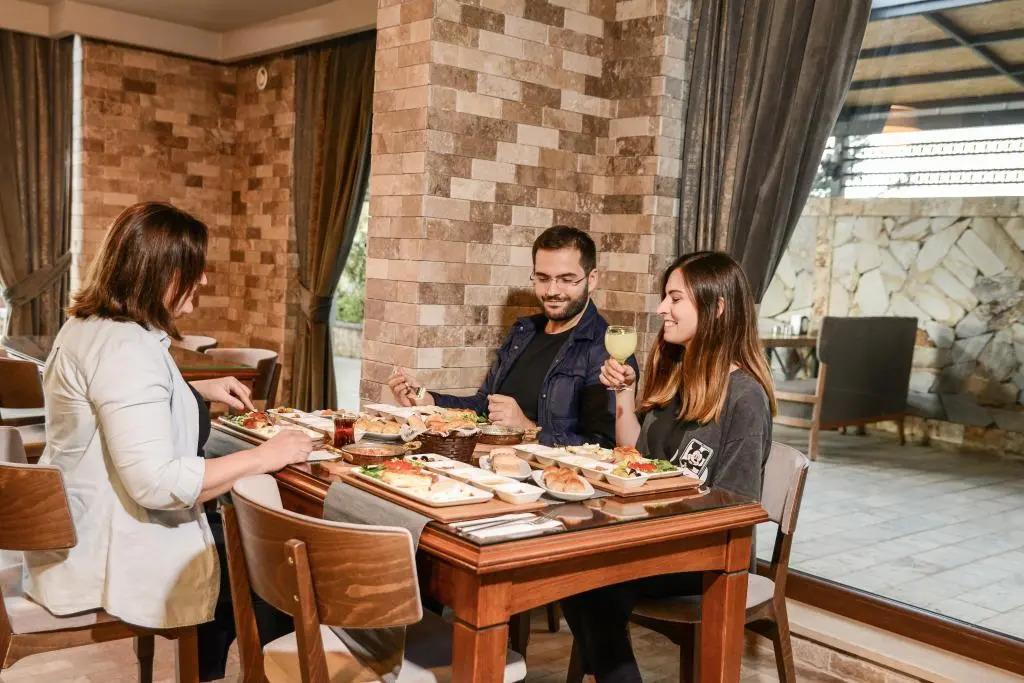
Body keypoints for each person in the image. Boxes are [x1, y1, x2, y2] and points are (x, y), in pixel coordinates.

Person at [22, 202, 312, 680]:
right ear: (161, 273)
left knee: (242, 539)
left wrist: (194, 391)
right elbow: (157, 484)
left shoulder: (90, 328)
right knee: (275, 556)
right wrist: (266, 455)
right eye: (194, 269)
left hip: (85, 529)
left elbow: (118, 404)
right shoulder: (125, 348)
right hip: (111, 552)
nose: (203, 280)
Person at [561, 251, 777, 683]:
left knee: (591, 582)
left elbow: (736, 507)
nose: (662, 308)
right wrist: (624, 394)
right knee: (570, 571)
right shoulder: (678, 373)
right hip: (656, 538)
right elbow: (635, 455)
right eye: (665, 297)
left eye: (675, 299)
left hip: (709, 556)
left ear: (717, 308)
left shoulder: (744, 398)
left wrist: (656, 509)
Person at [387, 226, 638, 448]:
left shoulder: (606, 350)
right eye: (542, 278)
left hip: (548, 481)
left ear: (591, 280)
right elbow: (483, 405)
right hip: (493, 469)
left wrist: (527, 429)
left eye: (566, 280)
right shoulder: (524, 331)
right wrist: (425, 399)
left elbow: (605, 446)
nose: (552, 290)